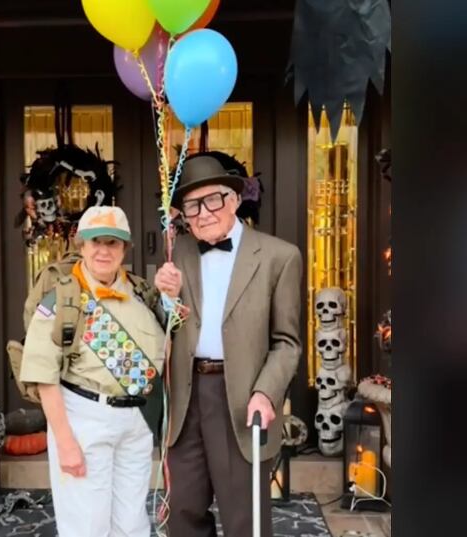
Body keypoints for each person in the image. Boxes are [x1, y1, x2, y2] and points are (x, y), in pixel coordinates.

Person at [154, 154, 303, 536]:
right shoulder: (178, 252)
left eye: (213, 200)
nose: (203, 213)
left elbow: (287, 342)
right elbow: (163, 328)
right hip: (186, 397)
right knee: (182, 513)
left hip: (241, 398)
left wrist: (266, 393)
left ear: (234, 199)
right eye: (192, 205)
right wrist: (165, 299)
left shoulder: (279, 257)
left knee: (244, 519)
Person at [19, 206, 165, 537]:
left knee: (132, 525)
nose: (103, 250)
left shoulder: (141, 294)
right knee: (87, 527)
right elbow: (43, 376)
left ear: (124, 249)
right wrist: (65, 442)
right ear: (81, 246)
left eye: (112, 242)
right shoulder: (63, 299)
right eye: (95, 241)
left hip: (137, 423)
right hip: (84, 419)